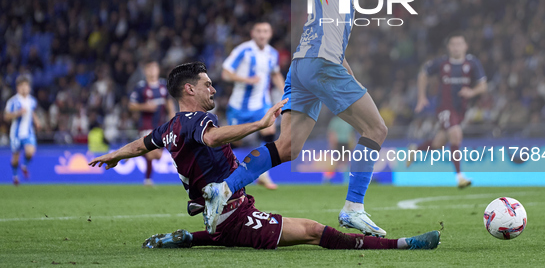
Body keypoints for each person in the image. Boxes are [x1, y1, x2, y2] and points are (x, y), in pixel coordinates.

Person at [88, 62, 440, 251]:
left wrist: (115, 156)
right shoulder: (200, 120)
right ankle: (403, 244)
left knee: (234, 231)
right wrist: (258, 124)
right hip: (233, 215)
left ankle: (189, 237)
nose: (213, 88)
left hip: (231, 213)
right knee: (315, 232)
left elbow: (141, 144)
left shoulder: (169, 126)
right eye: (207, 84)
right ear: (189, 89)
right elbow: (210, 138)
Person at [203, 0, 390, 237]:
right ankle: (353, 208)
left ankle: (222, 190)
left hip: (303, 67)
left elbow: (335, 47)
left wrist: (350, 76)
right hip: (319, 65)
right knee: (376, 128)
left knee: (288, 147)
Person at [411, 33, 488, 188]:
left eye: (459, 44)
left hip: (461, 110)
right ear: (448, 47)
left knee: (439, 142)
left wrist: (471, 92)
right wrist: (421, 97)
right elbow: (423, 74)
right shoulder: (441, 63)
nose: (456, 47)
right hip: (444, 108)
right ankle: (459, 176)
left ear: (465, 46)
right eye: (453, 44)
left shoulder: (472, 63)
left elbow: (483, 85)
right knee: (455, 134)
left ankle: (415, 149)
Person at [222, 21, 284, 190]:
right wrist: (246, 80)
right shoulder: (243, 50)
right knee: (233, 142)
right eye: (259, 31)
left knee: (269, 132)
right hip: (239, 106)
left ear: (270, 34)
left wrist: (286, 92)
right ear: (253, 33)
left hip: (262, 104)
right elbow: (225, 74)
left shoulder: (272, 53)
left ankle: (263, 174)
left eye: (266, 31)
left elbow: (275, 73)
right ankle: (224, 173)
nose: (262, 34)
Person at [129, 59, 176, 186]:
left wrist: (172, 113)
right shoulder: (141, 87)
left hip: (160, 125)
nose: (152, 71)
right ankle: (148, 180)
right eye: (149, 68)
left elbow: (169, 101)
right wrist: (145, 106)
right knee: (152, 153)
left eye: (154, 68)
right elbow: (131, 105)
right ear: (145, 71)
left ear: (158, 70)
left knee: (157, 155)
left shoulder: (163, 86)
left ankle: (134, 153)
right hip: (145, 124)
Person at [4, 75, 40, 186]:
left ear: (29, 87)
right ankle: (15, 176)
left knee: (31, 151)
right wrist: (18, 113)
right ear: (18, 88)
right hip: (16, 134)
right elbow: (6, 117)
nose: (24, 88)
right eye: (22, 86)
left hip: (28, 132)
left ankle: (24, 165)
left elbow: (32, 111)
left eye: (26, 86)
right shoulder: (13, 101)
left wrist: (36, 120)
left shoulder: (32, 101)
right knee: (15, 158)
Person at [323, 116, 356, 183]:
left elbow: (351, 133)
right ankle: (327, 177)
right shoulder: (336, 121)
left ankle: (345, 179)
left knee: (344, 161)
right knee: (337, 161)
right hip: (338, 142)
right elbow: (332, 133)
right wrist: (332, 143)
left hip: (346, 142)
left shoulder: (347, 121)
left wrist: (352, 143)